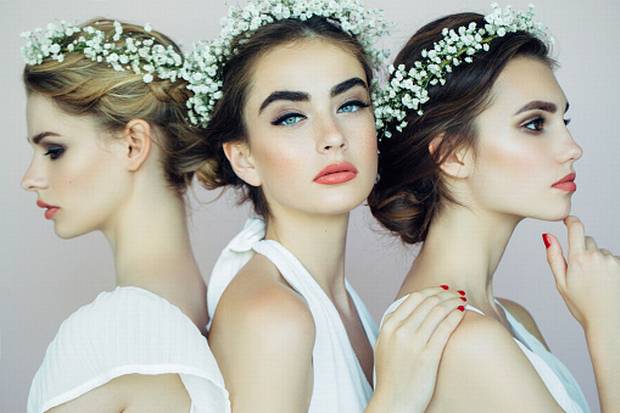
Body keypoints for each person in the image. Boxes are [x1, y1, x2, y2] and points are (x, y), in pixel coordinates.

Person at [178, 1, 467, 412]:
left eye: (350, 104)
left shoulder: (339, 300)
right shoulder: (272, 316)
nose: (332, 136)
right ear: (244, 158)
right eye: (291, 117)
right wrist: (395, 399)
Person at [369, 5, 620, 412]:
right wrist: (610, 325)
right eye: (535, 124)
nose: (572, 149)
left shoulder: (510, 318)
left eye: (565, 121)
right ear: (452, 154)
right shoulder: (465, 339)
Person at [21, 19, 229, 413]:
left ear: (134, 144)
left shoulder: (106, 335)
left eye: (54, 150)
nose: (30, 179)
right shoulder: (230, 314)